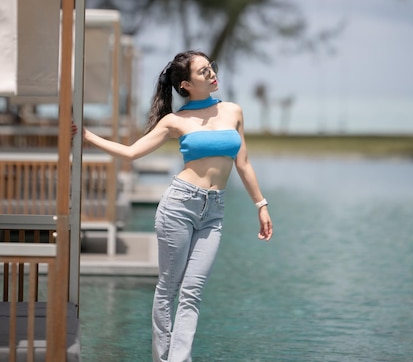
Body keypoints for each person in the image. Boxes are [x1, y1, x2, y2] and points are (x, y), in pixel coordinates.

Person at [83, 50, 273, 362]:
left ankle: (179, 359)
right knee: (168, 287)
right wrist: (90, 136)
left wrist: (261, 205)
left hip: (214, 212)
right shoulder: (174, 121)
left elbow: (244, 163)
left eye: (210, 67)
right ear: (186, 85)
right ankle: (164, 358)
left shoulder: (233, 111)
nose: (211, 73)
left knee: (193, 292)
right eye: (203, 72)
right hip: (179, 206)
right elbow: (131, 153)